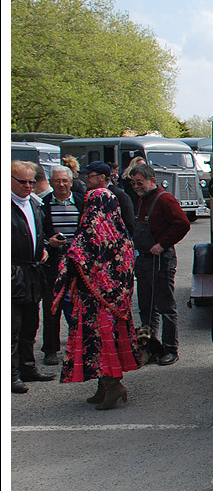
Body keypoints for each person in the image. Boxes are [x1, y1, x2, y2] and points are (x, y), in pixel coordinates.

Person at [52, 187, 140, 409]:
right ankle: (105, 385)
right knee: (109, 340)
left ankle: (112, 386)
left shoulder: (89, 232)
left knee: (98, 344)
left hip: (94, 300)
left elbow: (74, 259)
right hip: (117, 301)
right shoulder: (120, 233)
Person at [128, 162, 190, 366]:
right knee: (146, 307)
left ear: (151, 180)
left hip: (161, 261)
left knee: (166, 307)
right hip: (144, 261)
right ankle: (150, 348)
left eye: (140, 182)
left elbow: (182, 224)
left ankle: (171, 348)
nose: (137, 186)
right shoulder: (141, 200)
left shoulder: (165, 200)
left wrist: (163, 244)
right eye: (133, 183)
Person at [11, 160, 55, 392]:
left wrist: (44, 247)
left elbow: (39, 233)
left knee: (30, 325)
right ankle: (11, 375)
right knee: (12, 328)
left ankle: (28, 367)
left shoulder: (34, 203)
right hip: (13, 272)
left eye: (32, 181)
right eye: (23, 182)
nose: (28, 186)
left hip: (32, 272)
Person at [39, 166, 86, 366]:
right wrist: (48, 242)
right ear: (51, 182)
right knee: (52, 307)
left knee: (79, 307)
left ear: (71, 181)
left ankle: (81, 347)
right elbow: (38, 233)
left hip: (78, 264)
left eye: (64, 181)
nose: (61, 184)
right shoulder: (43, 204)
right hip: (53, 263)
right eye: (57, 181)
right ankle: (50, 350)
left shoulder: (82, 201)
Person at [81, 161, 135, 237]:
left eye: (89, 176)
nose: (86, 179)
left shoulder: (120, 196)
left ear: (102, 177)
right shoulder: (88, 195)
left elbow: (129, 223)